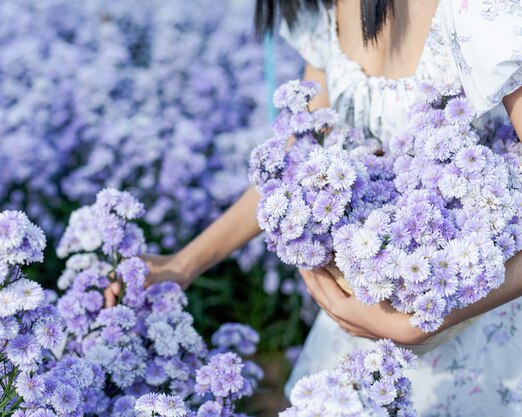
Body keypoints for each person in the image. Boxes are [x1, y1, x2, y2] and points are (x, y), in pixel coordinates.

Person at [106, 0, 522, 414]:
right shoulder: (326, 10)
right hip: (362, 325)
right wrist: (182, 264)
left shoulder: (481, 14)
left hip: (483, 324)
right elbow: (297, 174)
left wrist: (418, 324)